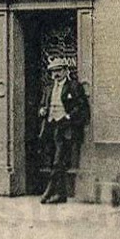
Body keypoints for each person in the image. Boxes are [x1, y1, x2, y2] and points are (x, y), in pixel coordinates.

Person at [37, 57, 90, 204]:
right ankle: (61, 195)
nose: (56, 74)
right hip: (50, 127)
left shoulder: (73, 86)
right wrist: (42, 110)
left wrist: (68, 116)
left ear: (66, 71)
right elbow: (43, 105)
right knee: (54, 161)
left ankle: (48, 192)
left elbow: (81, 107)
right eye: (53, 71)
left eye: (59, 70)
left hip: (64, 128)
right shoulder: (48, 88)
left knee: (58, 162)